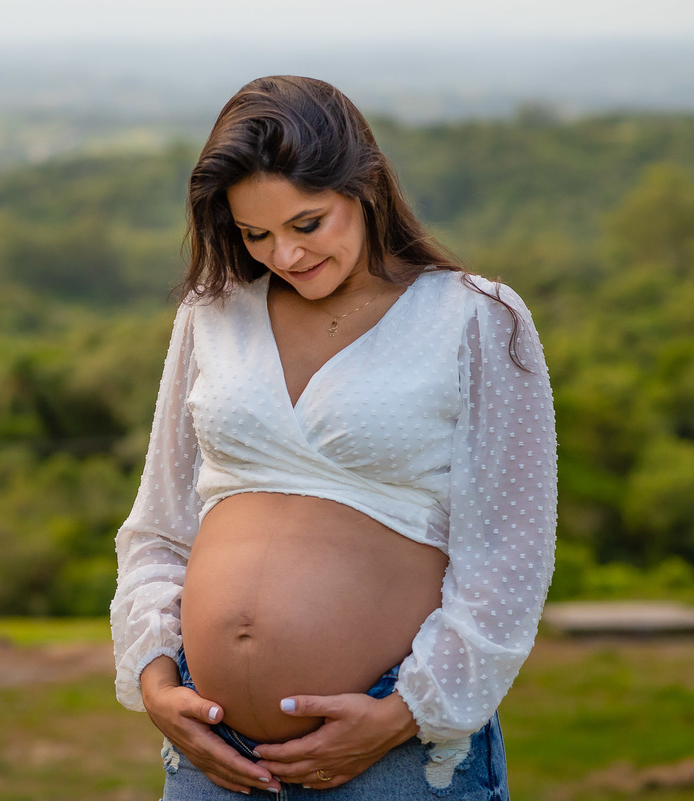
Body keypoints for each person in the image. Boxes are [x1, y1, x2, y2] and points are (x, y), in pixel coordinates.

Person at [109, 75, 557, 800]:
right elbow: (158, 526)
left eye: (306, 223)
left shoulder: (475, 318)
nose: (284, 254)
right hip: (210, 751)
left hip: (394, 755)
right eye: (256, 234)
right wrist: (157, 679)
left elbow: (509, 554)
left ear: (367, 186)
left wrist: (401, 713)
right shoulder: (211, 313)